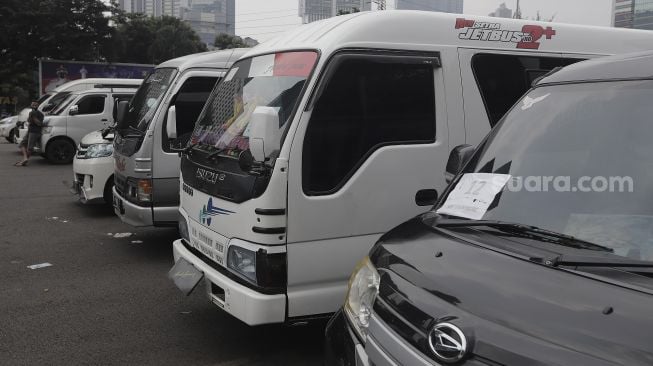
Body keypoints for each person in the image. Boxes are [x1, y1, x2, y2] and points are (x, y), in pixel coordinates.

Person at [15, 101, 44, 166]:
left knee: (30, 148)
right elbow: (29, 121)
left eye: (35, 105)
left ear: (38, 106)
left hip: (35, 132)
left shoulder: (38, 114)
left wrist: (34, 117)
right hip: (30, 131)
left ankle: (24, 161)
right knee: (21, 144)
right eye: (32, 105)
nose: (33, 106)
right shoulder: (32, 113)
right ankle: (25, 158)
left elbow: (39, 124)